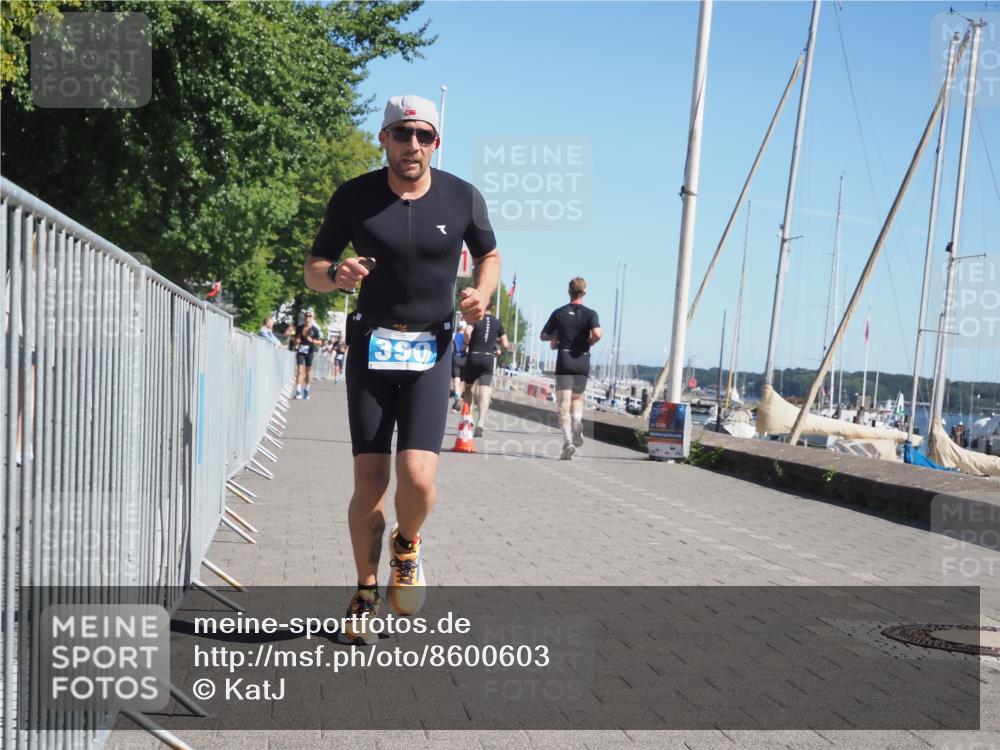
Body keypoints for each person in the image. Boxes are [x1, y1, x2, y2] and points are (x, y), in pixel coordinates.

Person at [304, 94, 500, 642]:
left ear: (436, 143)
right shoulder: (355, 196)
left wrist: (482, 293)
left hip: (431, 351)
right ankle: (365, 592)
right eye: (402, 134)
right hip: (371, 347)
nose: (413, 145)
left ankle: (407, 545)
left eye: (424, 136)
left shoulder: (462, 196)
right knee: (370, 480)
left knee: (417, 477)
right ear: (384, 138)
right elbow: (314, 267)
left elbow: (490, 255)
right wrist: (335, 275)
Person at [540, 277, 602, 460]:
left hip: (565, 359)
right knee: (577, 398)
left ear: (569, 292)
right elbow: (598, 333)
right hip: (582, 360)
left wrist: (556, 336)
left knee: (563, 403)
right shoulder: (591, 313)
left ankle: (568, 441)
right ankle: (577, 420)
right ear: (585, 292)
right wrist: (590, 341)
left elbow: (543, 335)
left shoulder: (559, 313)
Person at [461, 300, 510, 437]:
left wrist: (466, 344)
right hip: (488, 358)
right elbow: (506, 344)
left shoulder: (475, 319)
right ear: (492, 307)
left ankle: (469, 417)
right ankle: (481, 422)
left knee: (468, 388)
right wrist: (496, 342)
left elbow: (467, 332)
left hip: (474, 356)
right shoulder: (497, 323)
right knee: (485, 391)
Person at [292, 310, 321, 400]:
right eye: (306, 316)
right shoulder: (300, 328)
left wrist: (312, 341)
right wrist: (297, 342)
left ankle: (307, 389)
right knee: (300, 370)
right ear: (304, 317)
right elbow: (296, 338)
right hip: (301, 351)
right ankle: (298, 391)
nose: (308, 317)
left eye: (309, 316)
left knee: (308, 371)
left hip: (309, 351)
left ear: (312, 318)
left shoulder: (315, 330)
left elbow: (320, 342)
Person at [451, 322, 471, 411]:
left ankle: (457, 397)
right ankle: (460, 397)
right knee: (462, 379)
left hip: (456, 358)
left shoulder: (453, 335)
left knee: (456, 378)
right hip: (465, 359)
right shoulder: (468, 337)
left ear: (458, 327)